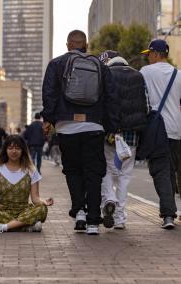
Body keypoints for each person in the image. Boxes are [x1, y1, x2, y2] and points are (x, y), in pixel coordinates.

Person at [41, 30, 119, 235]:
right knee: (93, 173)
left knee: (73, 171)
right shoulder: (101, 67)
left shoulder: (56, 64)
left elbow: (49, 94)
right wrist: (112, 127)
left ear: (68, 45)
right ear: (86, 45)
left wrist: (48, 119)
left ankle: (80, 214)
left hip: (67, 126)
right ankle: (94, 221)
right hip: (94, 126)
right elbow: (112, 98)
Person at [99, 50, 148, 230]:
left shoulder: (105, 75)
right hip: (131, 135)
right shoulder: (138, 76)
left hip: (109, 134)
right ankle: (120, 218)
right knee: (124, 176)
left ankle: (109, 200)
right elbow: (147, 106)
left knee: (106, 169)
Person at [139, 39, 181, 229]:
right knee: (176, 172)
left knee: (162, 172)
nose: (147, 58)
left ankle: (169, 216)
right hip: (177, 130)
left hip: (157, 130)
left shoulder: (145, 73)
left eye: (149, 54)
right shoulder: (178, 74)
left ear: (156, 54)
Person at [0, 135, 53, 233]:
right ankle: (26, 226)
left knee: (42, 209)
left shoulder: (31, 171)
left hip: (24, 211)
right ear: (5, 150)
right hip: (3, 211)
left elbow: (35, 198)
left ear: (23, 151)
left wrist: (44, 201)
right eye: (10, 148)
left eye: (17, 148)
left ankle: (3, 227)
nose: (14, 151)